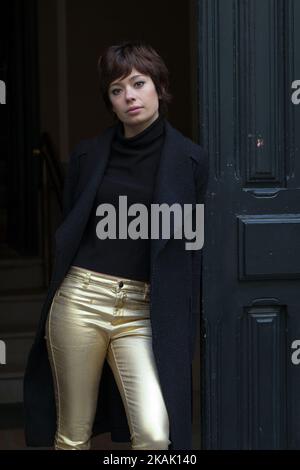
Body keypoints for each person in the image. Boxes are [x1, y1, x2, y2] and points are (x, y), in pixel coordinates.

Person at [23, 40, 209, 451]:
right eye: (116, 90)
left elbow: (190, 248)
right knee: (73, 434)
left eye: (138, 83)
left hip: (142, 311)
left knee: (156, 434)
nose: (129, 96)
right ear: (109, 100)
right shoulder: (88, 155)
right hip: (81, 299)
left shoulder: (191, 162)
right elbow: (72, 228)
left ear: (159, 86)